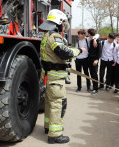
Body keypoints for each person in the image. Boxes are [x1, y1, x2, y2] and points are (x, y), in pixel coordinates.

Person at [39, 9, 85, 144]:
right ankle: (55, 134)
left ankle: (48, 127)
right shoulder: (55, 36)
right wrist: (78, 50)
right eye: (63, 23)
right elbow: (64, 53)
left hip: (49, 75)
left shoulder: (46, 35)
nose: (64, 25)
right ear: (58, 22)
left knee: (50, 103)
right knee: (58, 104)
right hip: (56, 77)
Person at [87, 28, 102, 95]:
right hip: (89, 59)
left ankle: (96, 89)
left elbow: (100, 51)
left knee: (94, 74)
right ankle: (94, 87)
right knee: (91, 74)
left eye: (88, 33)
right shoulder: (91, 40)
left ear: (89, 34)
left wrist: (97, 60)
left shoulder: (98, 41)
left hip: (94, 60)